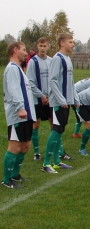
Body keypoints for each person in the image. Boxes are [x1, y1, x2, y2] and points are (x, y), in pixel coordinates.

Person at [42, 33, 80, 173]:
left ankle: (57, 161)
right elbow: (52, 81)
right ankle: (46, 163)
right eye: (70, 42)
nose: (72, 44)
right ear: (62, 43)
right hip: (58, 103)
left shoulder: (67, 59)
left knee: (60, 130)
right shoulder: (57, 59)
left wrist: (75, 99)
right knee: (56, 130)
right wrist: (61, 99)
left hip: (66, 102)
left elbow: (70, 82)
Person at [2, 42, 36, 188]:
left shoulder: (18, 69)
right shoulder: (12, 69)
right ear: (15, 51)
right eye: (23, 50)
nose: (26, 53)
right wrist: (20, 108)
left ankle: (15, 174)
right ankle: (6, 179)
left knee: (25, 146)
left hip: (26, 115)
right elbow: (14, 89)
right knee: (14, 147)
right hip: (18, 115)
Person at [26, 37, 52, 161]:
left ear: (48, 46)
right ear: (37, 46)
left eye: (44, 46)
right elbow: (30, 82)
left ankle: (56, 150)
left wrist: (50, 95)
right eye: (40, 46)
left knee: (54, 124)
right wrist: (41, 96)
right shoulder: (33, 62)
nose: (42, 48)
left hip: (50, 98)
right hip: (37, 99)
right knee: (36, 124)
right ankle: (37, 152)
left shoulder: (51, 61)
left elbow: (54, 80)